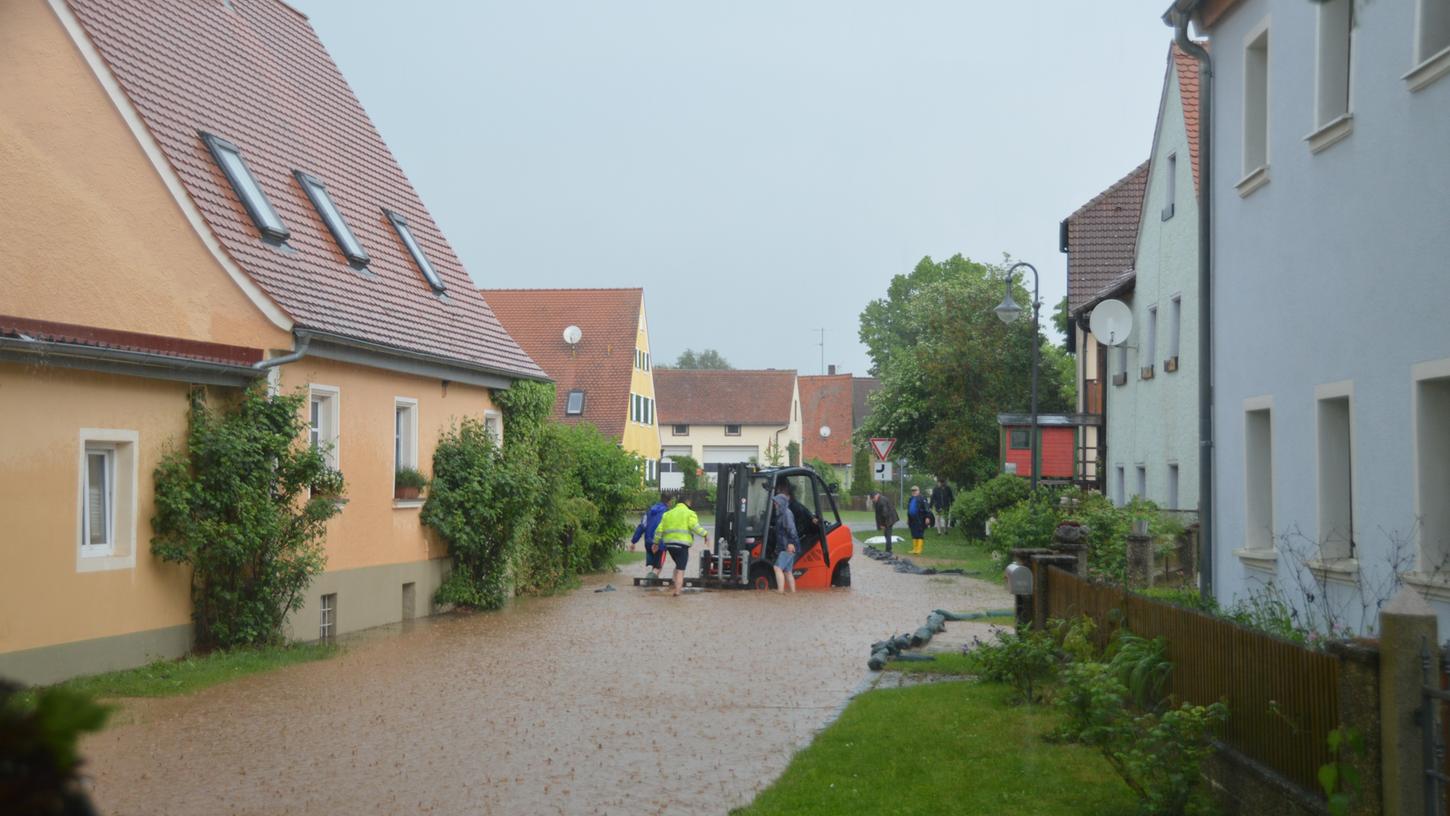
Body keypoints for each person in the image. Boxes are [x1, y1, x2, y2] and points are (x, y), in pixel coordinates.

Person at [656, 496, 708, 597]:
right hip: (682, 545)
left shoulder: (667, 514)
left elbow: (659, 530)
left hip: (669, 545)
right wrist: (705, 534)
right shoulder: (690, 513)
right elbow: (695, 527)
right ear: (687, 502)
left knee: (678, 564)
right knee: (681, 568)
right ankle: (677, 591)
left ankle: (673, 583)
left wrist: (655, 543)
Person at [630, 495, 670, 581]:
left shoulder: (649, 511)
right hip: (660, 543)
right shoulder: (667, 512)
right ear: (669, 502)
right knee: (658, 567)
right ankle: (648, 583)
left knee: (655, 566)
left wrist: (634, 541)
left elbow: (642, 526)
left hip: (648, 543)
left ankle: (652, 586)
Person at [770, 488, 798, 593]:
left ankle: (780, 592)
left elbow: (792, 530)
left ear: (781, 502)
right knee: (787, 572)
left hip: (787, 546)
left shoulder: (786, 514)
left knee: (777, 568)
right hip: (787, 545)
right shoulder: (782, 514)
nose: (775, 504)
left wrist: (791, 543)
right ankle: (793, 593)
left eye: (776, 502)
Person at [907, 485, 929, 555]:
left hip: (920, 518)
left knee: (919, 533)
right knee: (913, 534)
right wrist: (908, 518)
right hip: (912, 519)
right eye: (912, 491)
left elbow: (927, 508)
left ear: (918, 491)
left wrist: (927, 517)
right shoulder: (911, 499)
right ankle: (914, 549)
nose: (913, 492)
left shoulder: (922, 498)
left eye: (915, 490)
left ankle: (919, 549)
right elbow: (909, 509)